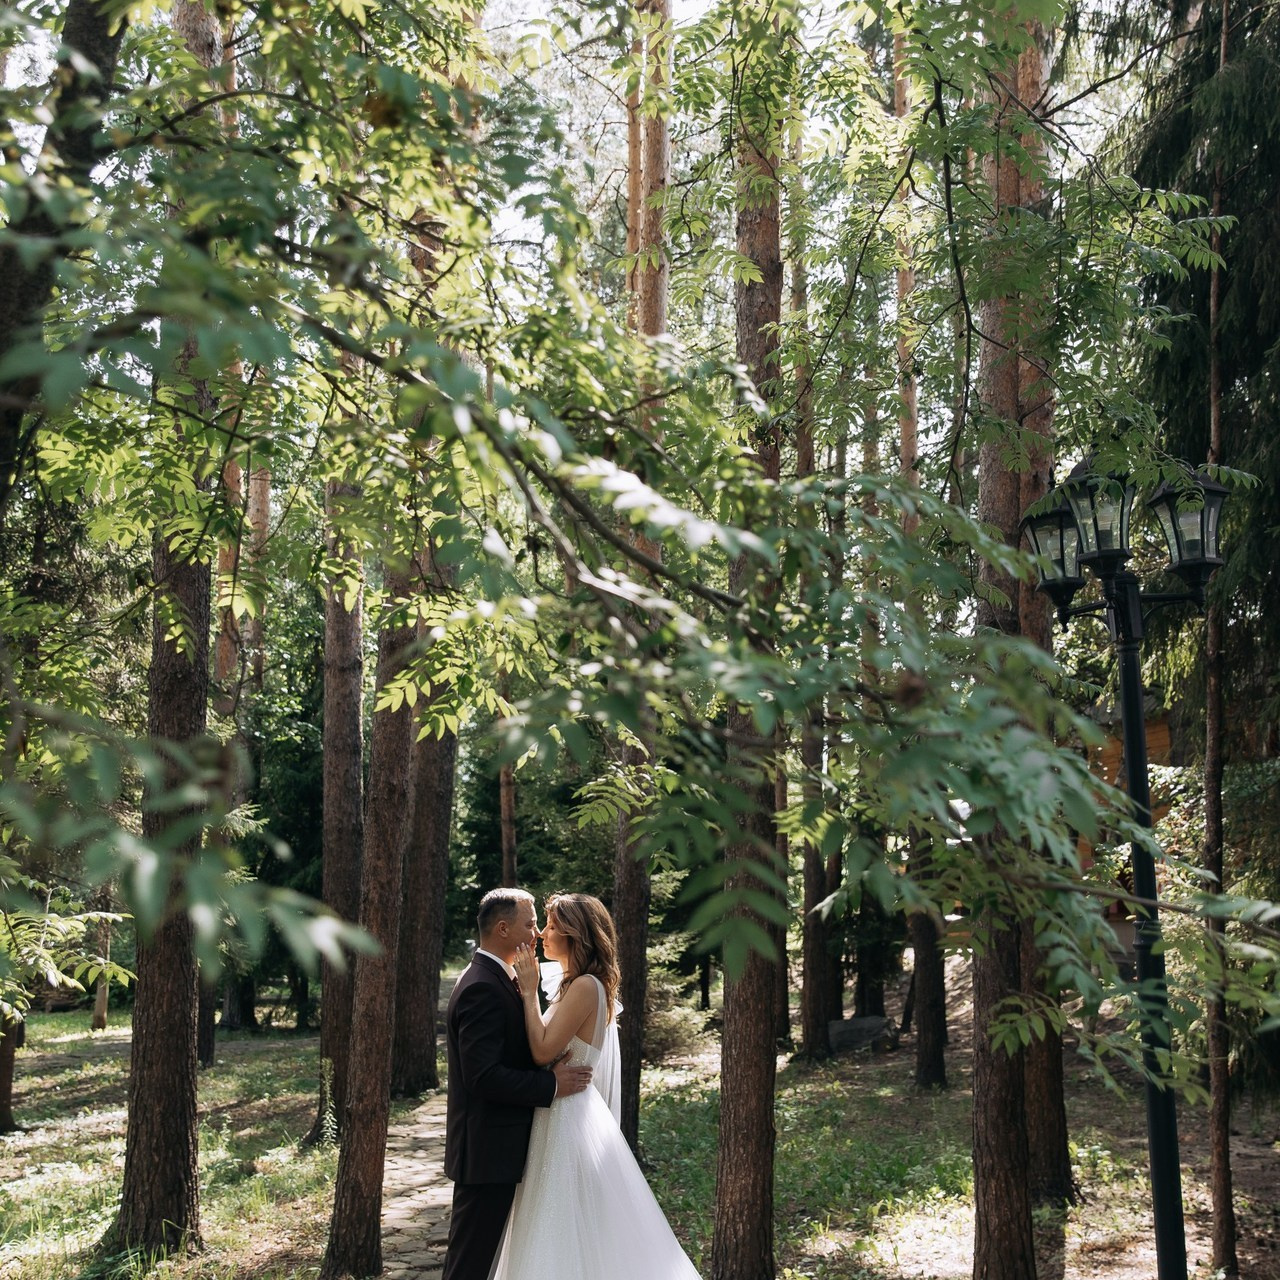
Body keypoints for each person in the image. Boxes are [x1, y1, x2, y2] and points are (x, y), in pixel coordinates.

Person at [490, 892, 703, 1280]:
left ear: (576, 935)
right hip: (560, 1114)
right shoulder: (578, 984)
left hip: (566, 1121)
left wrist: (526, 992)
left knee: (562, 1223)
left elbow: (541, 1051)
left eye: (552, 926)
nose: (542, 934)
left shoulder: (587, 986)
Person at [442, 888, 594, 1280]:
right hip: (487, 1153)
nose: (538, 932)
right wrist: (551, 1086)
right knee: (469, 1266)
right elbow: (482, 1077)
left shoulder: (499, 978)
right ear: (504, 929)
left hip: (500, 1150)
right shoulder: (482, 986)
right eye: (530, 924)